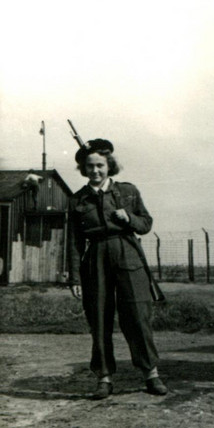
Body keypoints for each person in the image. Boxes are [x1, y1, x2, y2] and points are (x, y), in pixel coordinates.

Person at [67, 138, 167, 399]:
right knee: (99, 319)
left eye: (100, 165)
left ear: (109, 165)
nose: (95, 171)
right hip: (95, 260)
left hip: (128, 255)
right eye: (90, 166)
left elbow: (145, 224)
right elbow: (75, 242)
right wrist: (75, 277)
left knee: (137, 317)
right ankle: (104, 378)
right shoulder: (78, 200)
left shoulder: (128, 191)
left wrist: (128, 218)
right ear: (83, 169)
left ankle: (151, 375)